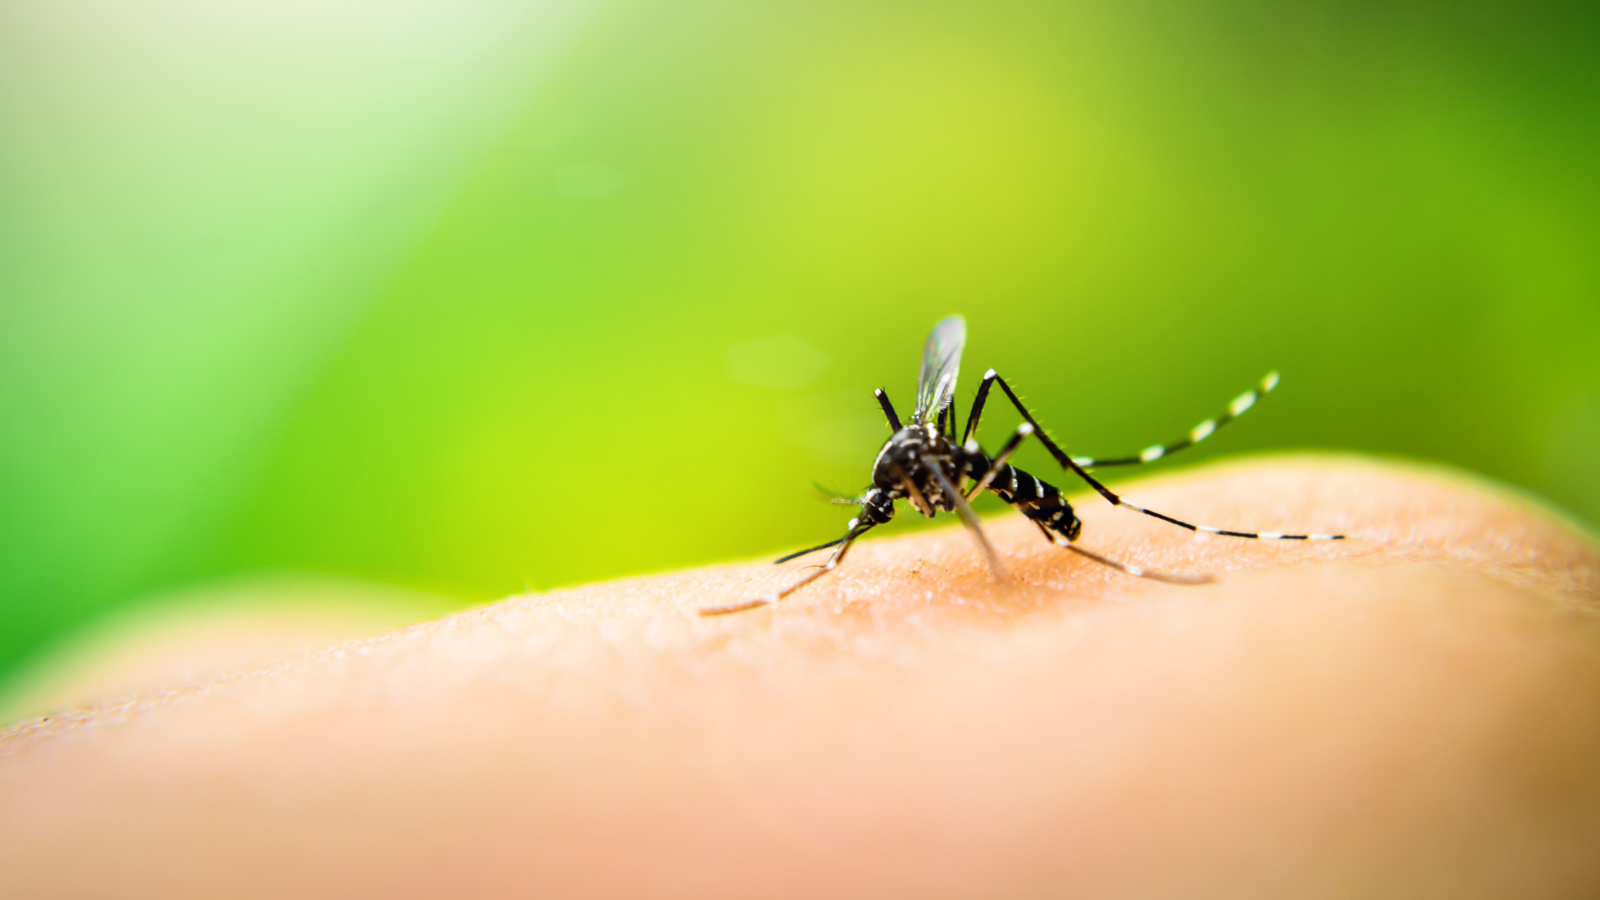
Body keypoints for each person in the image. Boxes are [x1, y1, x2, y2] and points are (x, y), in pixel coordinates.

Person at [2, 456, 1597, 897]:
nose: (889, 516)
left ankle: (1115, 516)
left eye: (888, 510)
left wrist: (1035, 533)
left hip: (1066, 510)